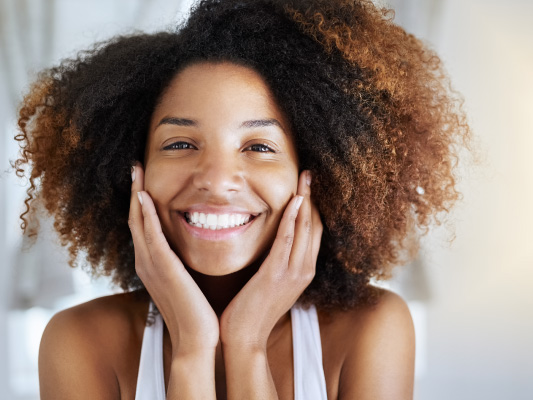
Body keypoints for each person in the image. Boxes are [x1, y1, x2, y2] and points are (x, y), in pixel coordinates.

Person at [14, 0, 469, 398]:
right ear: (131, 171)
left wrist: (247, 342)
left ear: (315, 175)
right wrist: (192, 350)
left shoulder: (372, 330)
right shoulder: (80, 342)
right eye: (179, 144)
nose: (216, 180)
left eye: (259, 147)